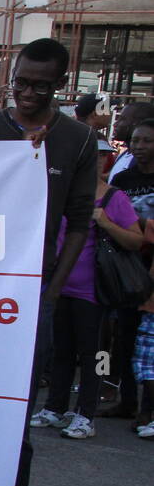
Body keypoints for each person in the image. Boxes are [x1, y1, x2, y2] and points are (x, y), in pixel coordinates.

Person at [0, 38, 97, 486]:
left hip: (31, 293)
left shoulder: (80, 141)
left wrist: (53, 288)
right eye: (21, 82)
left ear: (60, 85)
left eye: (41, 86)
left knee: (15, 407)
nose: (28, 94)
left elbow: (80, 221)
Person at [31, 139, 145, 439]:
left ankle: (86, 413)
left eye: (96, 159)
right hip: (58, 287)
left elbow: (136, 240)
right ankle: (55, 407)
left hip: (94, 292)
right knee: (61, 351)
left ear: (104, 162)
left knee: (95, 354)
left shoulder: (113, 197)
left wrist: (105, 222)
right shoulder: (61, 193)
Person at [110, 117, 154, 432]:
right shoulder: (123, 179)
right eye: (136, 140)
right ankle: (126, 401)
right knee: (123, 337)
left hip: (151, 268)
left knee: (149, 343)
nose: (139, 146)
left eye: (147, 140)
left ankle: (148, 410)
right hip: (126, 266)